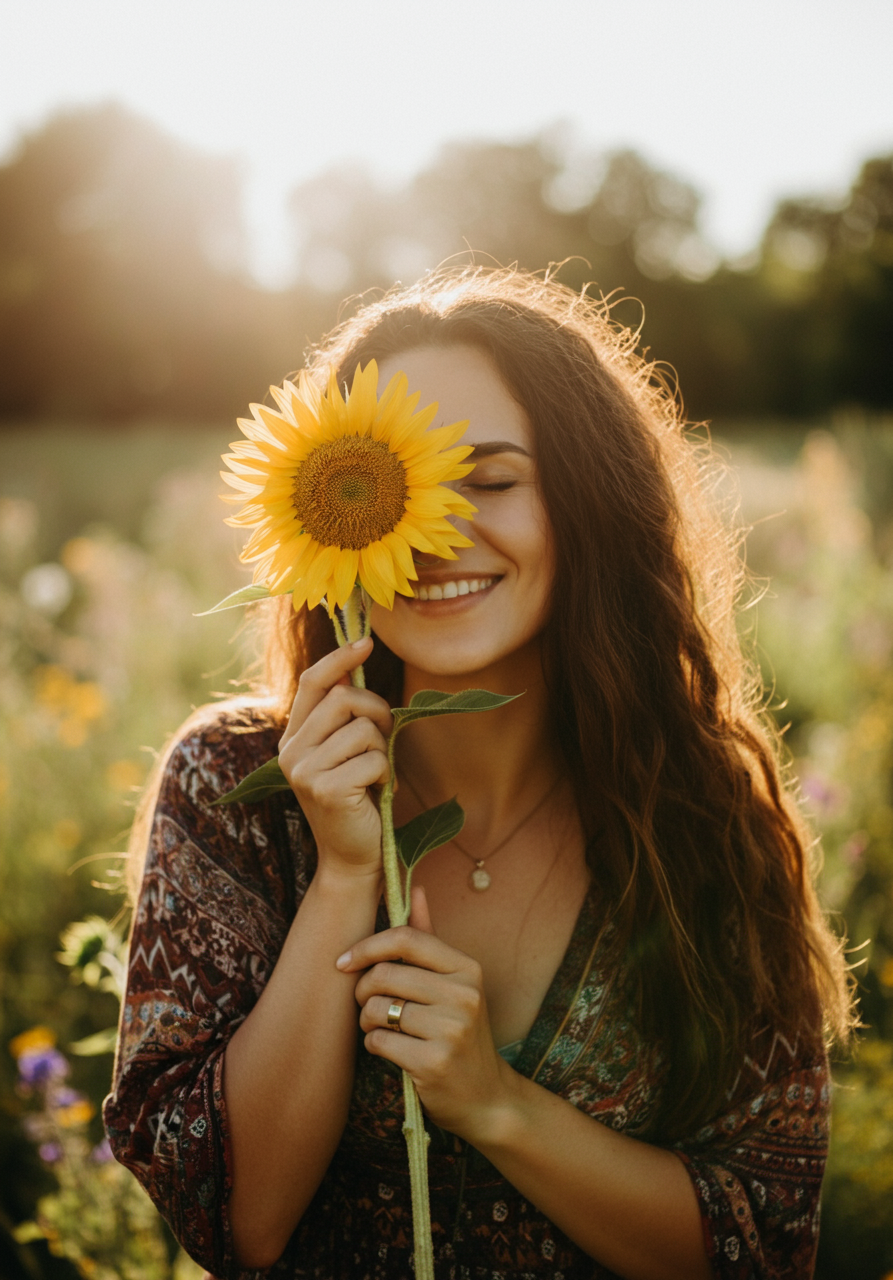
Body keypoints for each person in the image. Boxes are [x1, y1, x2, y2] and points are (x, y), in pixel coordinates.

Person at [104, 267, 853, 1280]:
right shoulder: (237, 787)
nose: (437, 531)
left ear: (586, 499)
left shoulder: (698, 810)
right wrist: (338, 876)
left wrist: (497, 1105)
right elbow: (238, 1223)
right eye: (393, 485)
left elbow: (763, 1240)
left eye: (491, 478)